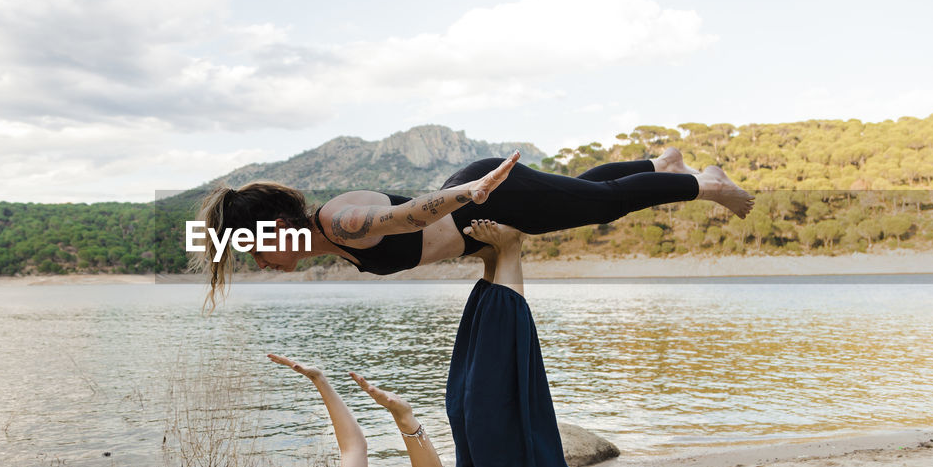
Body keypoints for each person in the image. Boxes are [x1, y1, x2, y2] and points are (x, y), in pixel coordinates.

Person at [249, 220, 583, 467]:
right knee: (490, 402)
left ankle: (493, 260)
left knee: (462, 400)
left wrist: (320, 381)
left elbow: (352, 449)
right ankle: (510, 249)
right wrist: (406, 421)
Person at [196, 147, 752, 309]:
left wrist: (469, 193)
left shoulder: (339, 220)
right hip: (482, 208)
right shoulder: (331, 240)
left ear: (273, 230)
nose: (258, 263)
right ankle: (662, 166)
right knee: (585, 193)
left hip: (487, 196)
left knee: (600, 203)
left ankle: (705, 183)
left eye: (251, 250)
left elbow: (401, 218)